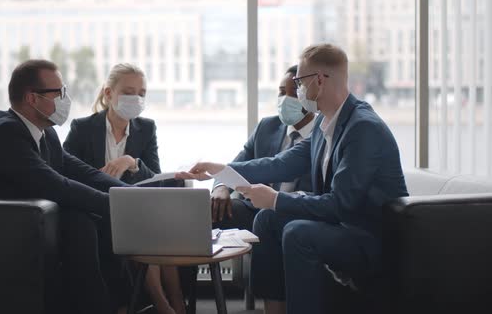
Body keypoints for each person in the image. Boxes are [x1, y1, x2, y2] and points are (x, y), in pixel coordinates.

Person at [177, 44, 408, 314]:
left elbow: (340, 206)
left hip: (368, 238)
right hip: (342, 227)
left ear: (319, 81)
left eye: (299, 82)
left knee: (298, 233)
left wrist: (275, 199)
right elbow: (278, 165)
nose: (298, 90)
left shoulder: (363, 129)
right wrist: (219, 170)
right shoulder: (325, 126)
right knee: (267, 219)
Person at [0, 59, 131, 314]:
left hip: (25, 226)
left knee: (96, 219)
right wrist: (118, 206)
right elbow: (56, 185)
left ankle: (120, 305)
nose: (65, 99)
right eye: (59, 92)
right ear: (32, 98)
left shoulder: (44, 132)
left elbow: (83, 173)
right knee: (80, 221)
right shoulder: (5, 134)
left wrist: (132, 197)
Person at [64, 63, 186, 314]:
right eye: (129, 92)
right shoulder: (82, 128)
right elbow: (66, 171)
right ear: (109, 94)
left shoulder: (146, 128)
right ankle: (164, 305)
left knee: (158, 225)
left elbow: (156, 177)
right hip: (98, 208)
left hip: (137, 206)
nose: (137, 98)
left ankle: (176, 302)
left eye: (142, 93)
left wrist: (132, 162)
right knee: (146, 228)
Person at [211, 65, 316, 231]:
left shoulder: (322, 134)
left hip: (297, 215)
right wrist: (221, 187)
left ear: (309, 97)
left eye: (294, 93)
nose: (285, 99)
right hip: (255, 210)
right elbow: (237, 164)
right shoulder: (266, 127)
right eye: (282, 92)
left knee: (269, 221)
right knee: (212, 210)